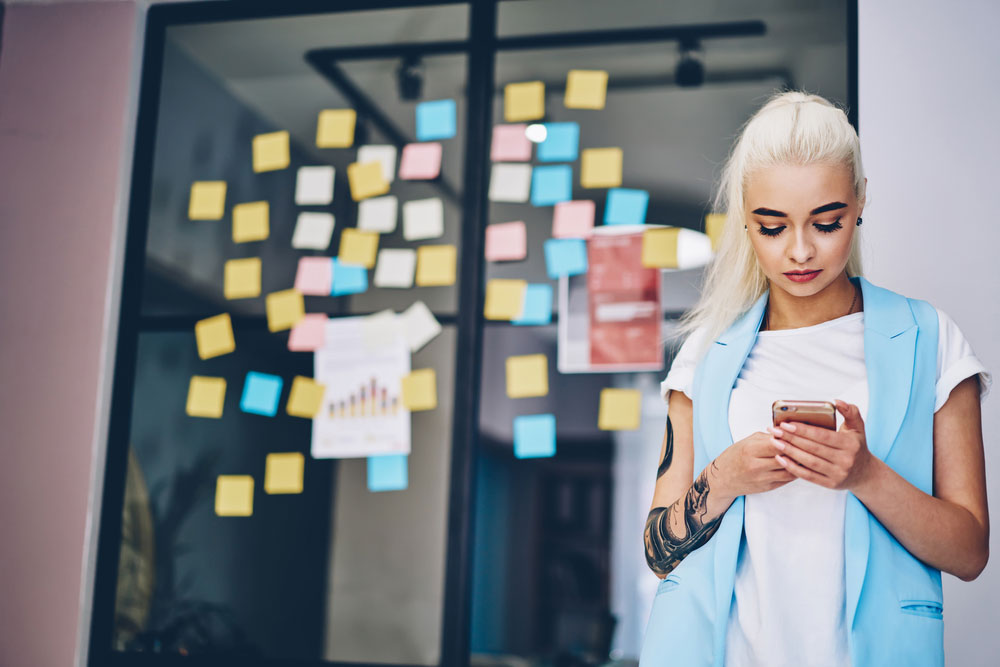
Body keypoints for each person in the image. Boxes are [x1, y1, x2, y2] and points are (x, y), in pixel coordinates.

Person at [638, 90, 991, 667]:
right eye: (772, 228)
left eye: (825, 223)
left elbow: (969, 551)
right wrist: (723, 478)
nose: (800, 252)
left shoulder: (931, 340)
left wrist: (866, 474)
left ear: (859, 203)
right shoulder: (707, 353)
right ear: (745, 222)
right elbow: (658, 551)